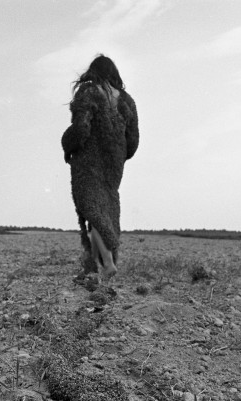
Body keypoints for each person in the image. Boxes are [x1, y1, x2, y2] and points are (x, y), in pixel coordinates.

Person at [62, 55, 139, 280]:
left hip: (90, 158)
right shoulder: (126, 100)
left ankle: (107, 262)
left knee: (91, 209)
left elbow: (81, 127)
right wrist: (120, 156)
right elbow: (133, 140)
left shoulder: (89, 92)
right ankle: (95, 267)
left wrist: (68, 145)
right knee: (106, 208)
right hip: (114, 162)